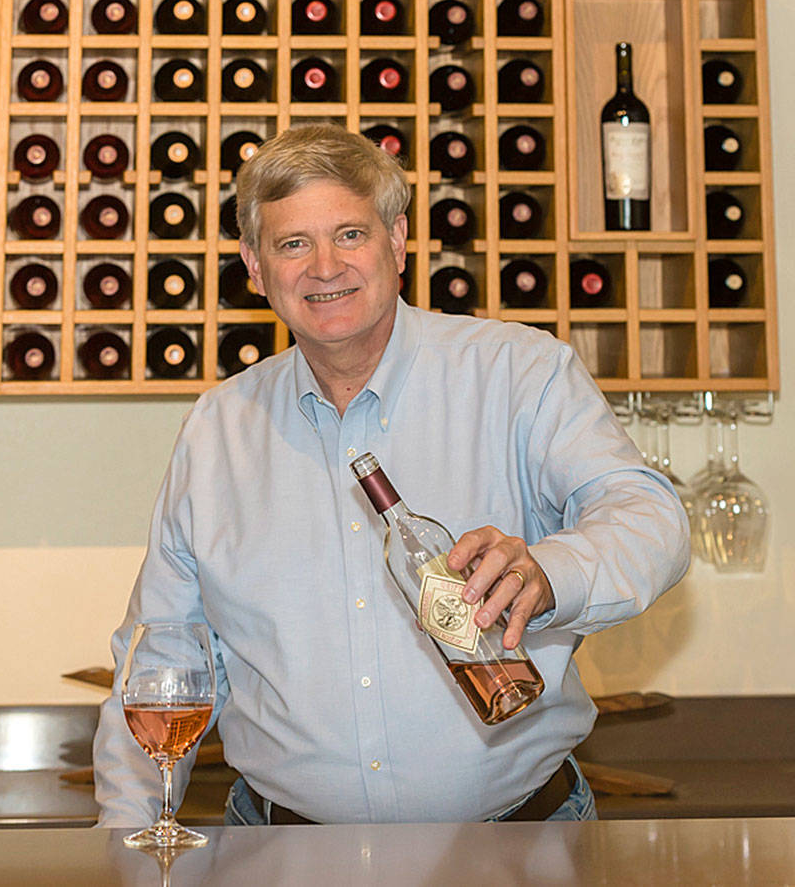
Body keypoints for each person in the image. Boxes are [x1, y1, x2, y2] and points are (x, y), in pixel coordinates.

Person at [92, 123, 690, 826]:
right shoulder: (216, 430)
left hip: (522, 846)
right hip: (280, 856)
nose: (325, 267)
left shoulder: (519, 373)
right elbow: (163, 655)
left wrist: (549, 573)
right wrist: (125, 838)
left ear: (398, 240)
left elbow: (651, 519)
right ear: (254, 266)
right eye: (293, 244)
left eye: (349, 234)